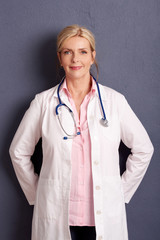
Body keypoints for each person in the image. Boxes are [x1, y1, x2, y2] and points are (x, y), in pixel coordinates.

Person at [9, 24, 154, 240]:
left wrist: (118, 192)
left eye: (83, 52)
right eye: (68, 52)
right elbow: (18, 152)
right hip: (57, 214)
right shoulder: (43, 103)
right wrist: (38, 194)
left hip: (103, 216)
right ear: (60, 58)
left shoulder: (114, 102)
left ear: (93, 56)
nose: (75, 59)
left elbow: (144, 149)